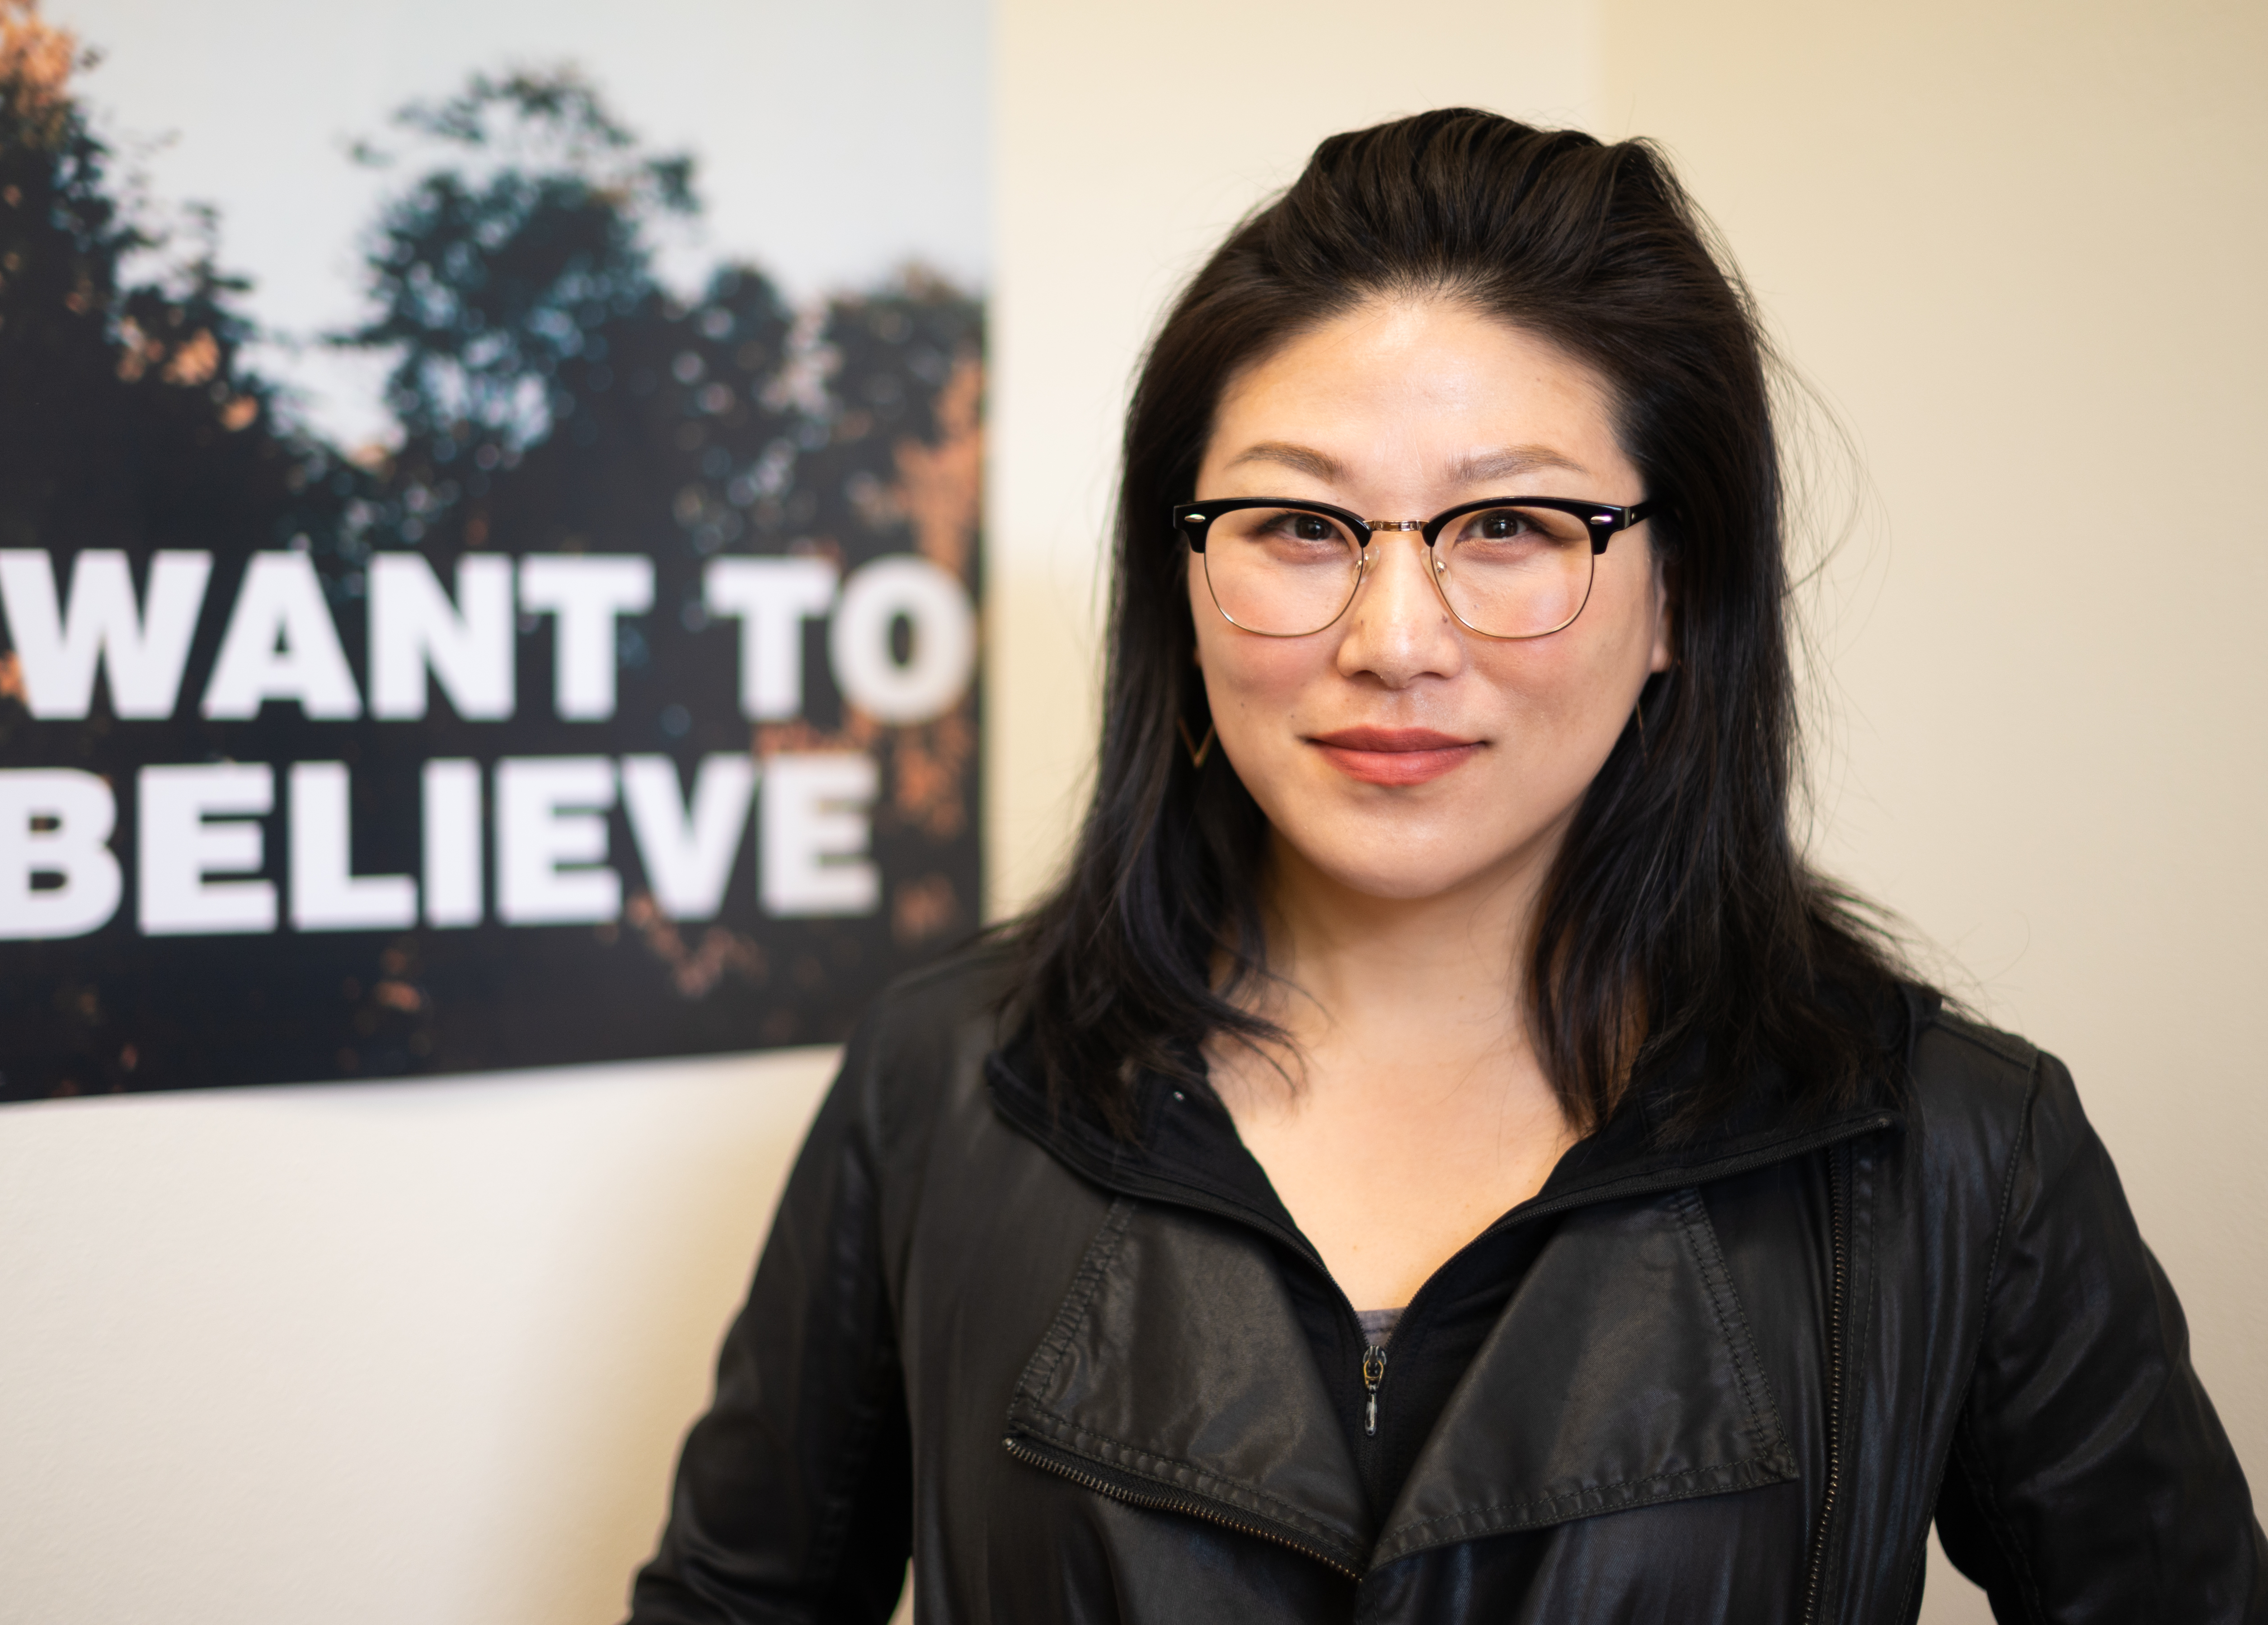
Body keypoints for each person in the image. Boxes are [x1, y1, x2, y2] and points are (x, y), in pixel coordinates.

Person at [627, 108, 2263, 1623]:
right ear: (1178, 588)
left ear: (1678, 595)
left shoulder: (1959, 1146)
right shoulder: (944, 1082)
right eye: (1298, 527)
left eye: (1510, 528)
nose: (1393, 641)